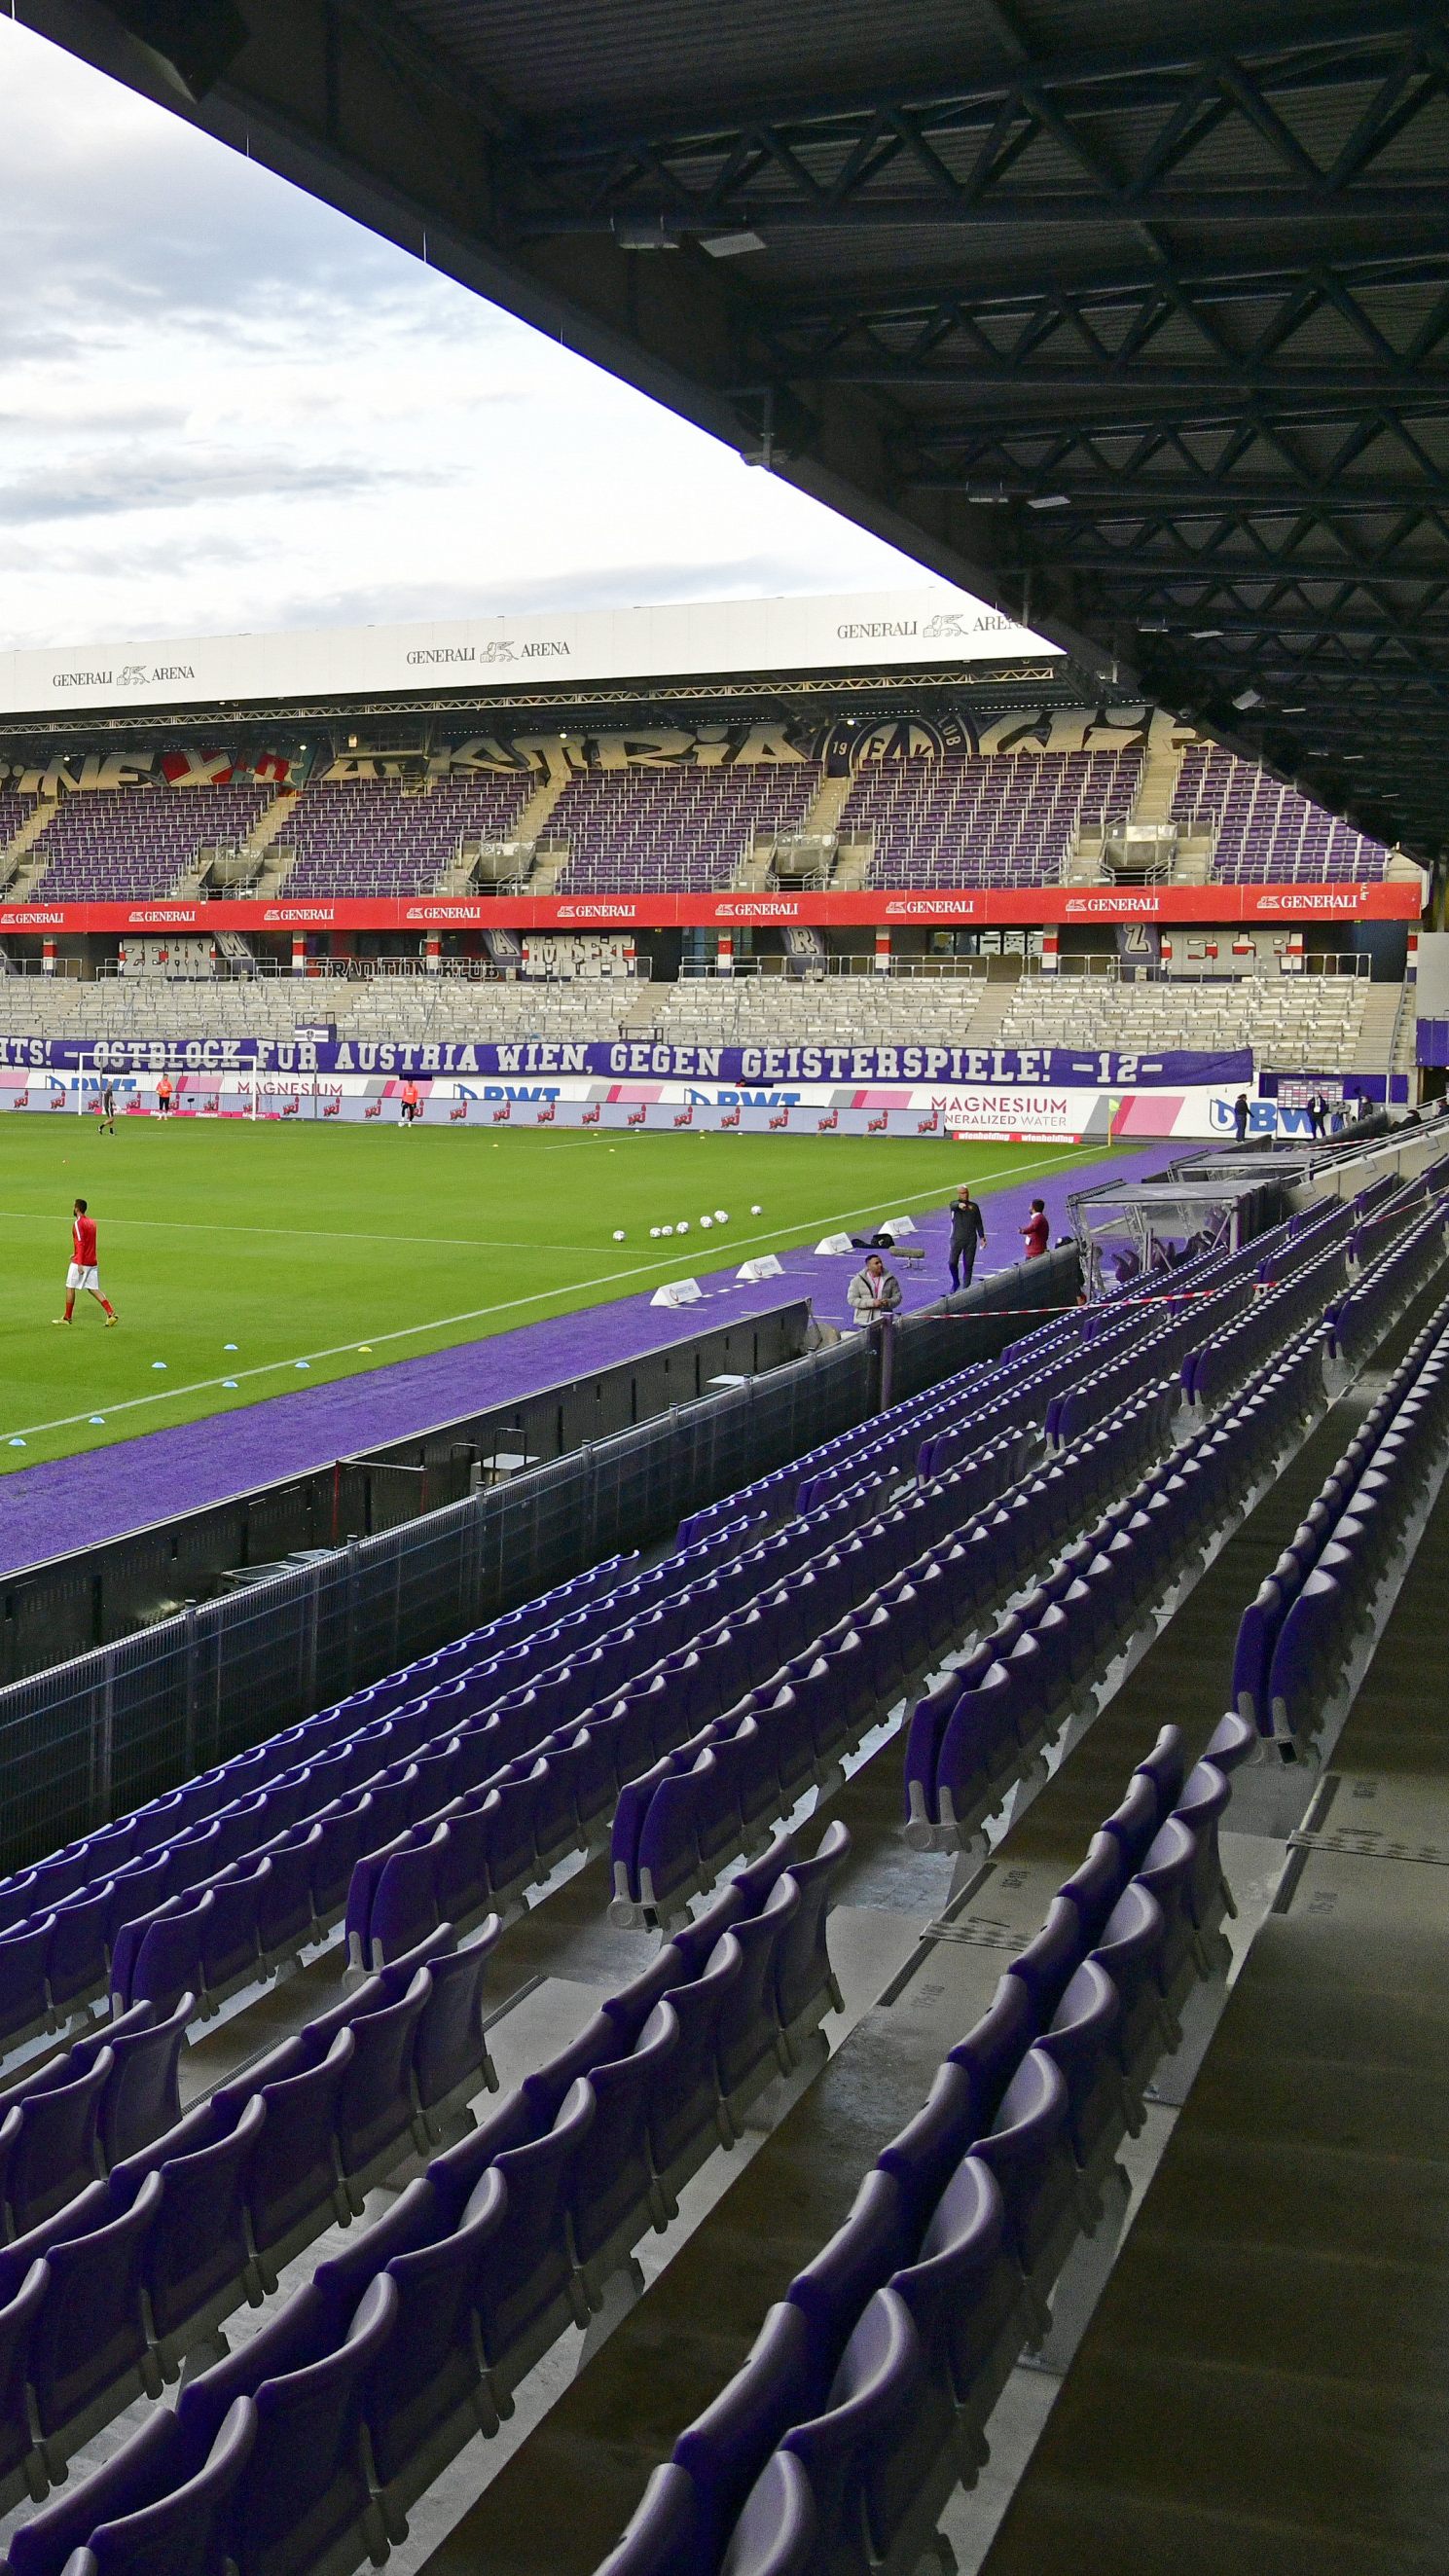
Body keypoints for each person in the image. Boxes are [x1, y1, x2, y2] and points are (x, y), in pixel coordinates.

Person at [54, 1199, 118, 1326]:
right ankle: (111, 1313)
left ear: (77, 1209)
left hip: (82, 1262)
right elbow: (89, 1242)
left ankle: (67, 1318)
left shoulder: (78, 1223)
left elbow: (81, 1242)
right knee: (93, 1288)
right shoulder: (92, 1222)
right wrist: (76, 1253)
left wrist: (79, 1262)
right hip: (92, 1261)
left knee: (70, 1286)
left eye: (73, 1206)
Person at [847, 1252, 902, 1328]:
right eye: (876, 1263)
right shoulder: (857, 1280)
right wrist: (871, 1303)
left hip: (884, 1320)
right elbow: (852, 1300)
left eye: (880, 1262)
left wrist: (888, 1302)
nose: (880, 1265)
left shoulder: (890, 1279)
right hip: (864, 1321)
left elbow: (897, 1297)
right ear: (868, 1266)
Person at [947, 1184, 987, 1291]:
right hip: (957, 1238)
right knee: (952, 1262)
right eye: (963, 1193)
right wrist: (960, 1205)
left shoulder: (974, 1207)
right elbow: (953, 1205)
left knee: (968, 1264)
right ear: (959, 1194)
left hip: (970, 1239)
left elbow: (978, 1222)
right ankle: (956, 1281)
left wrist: (982, 1237)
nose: (966, 1195)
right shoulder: (955, 1206)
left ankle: (966, 1288)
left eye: (967, 1193)